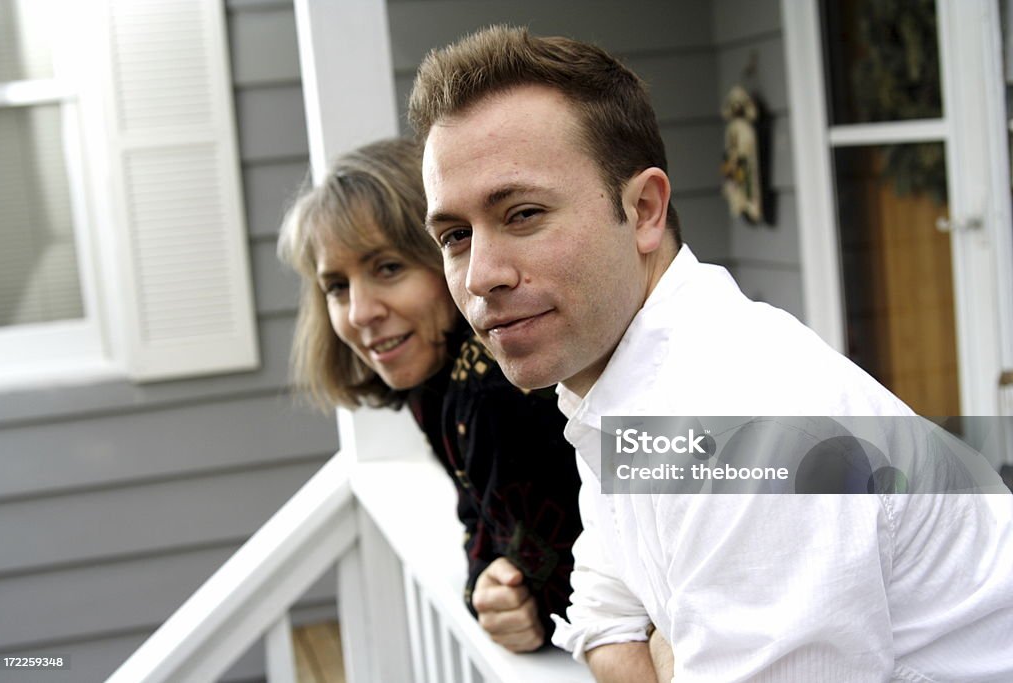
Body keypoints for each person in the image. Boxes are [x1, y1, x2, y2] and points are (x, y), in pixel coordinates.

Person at [409, 25, 1013, 682]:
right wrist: (664, 654)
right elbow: (601, 613)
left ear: (643, 210)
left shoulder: (741, 412)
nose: (481, 276)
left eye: (523, 213)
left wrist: (667, 646)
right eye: (456, 235)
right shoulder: (618, 382)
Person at [277, 137, 583, 653]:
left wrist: (516, 595)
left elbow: (566, 593)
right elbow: (483, 517)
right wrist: (487, 579)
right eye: (337, 286)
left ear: (451, 257)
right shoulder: (435, 385)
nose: (359, 313)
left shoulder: (491, 391)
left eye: (388, 268)